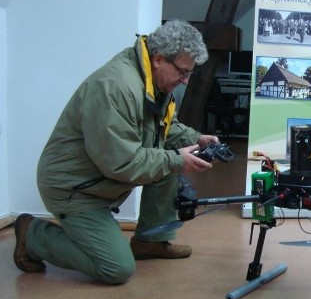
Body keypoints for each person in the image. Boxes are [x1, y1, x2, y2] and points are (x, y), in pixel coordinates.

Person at [14, 20, 219, 284]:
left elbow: (163, 128)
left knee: (170, 158)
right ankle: (33, 235)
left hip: (101, 181)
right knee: (117, 268)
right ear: (158, 59)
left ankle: (149, 241)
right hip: (75, 189)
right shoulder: (115, 87)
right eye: (183, 72)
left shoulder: (153, 81)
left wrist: (197, 139)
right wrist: (176, 159)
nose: (184, 81)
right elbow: (122, 162)